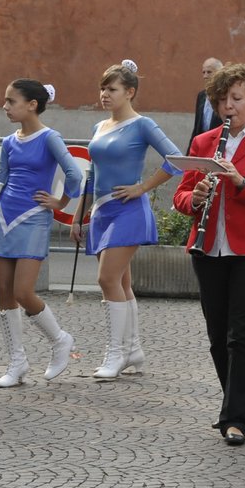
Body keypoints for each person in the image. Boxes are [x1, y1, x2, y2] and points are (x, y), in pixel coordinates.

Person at [173, 63, 245, 446]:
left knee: (242, 334)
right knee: (217, 334)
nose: (228, 106)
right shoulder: (204, 142)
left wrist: (238, 181)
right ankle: (231, 400)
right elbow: (181, 196)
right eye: (222, 99)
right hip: (208, 248)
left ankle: (236, 416)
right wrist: (195, 198)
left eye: (236, 98)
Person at [73, 61, 183, 379]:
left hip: (130, 211)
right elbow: (92, 174)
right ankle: (133, 349)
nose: (105, 94)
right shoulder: (98, 127)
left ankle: (116, 354)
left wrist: (142, 187)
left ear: (130, 92)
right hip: (102, 212)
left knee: (106, 280)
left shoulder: (143, 125)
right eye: (102, 88)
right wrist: (80, 215)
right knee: (121, 282)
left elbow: (176, 160)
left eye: (112, 89)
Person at [0, 80, 83, 387]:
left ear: (32, 104)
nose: (5, 106)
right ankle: (16, 362)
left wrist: (60, 202)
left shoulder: (50, 138)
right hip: (4, 219)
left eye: (11, 101)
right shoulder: (9, 142)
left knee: (23, 292)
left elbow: (74, 173)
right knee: (4, 292)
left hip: (33, 218)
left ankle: (60, 339)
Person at [189, 57, 224, 144]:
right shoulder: (201, 96)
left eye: (209, 72)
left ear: (219, 73)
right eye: (203, 72)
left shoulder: (225, 96)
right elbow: (196, 128)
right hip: (202, 145)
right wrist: (189, 154)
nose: (205, 76)